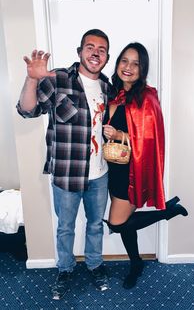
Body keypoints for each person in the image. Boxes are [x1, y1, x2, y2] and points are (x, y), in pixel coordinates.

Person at [17, 29, 112, 300]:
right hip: (66, 174)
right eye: (90, 47)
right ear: (79, 51)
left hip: (100, 174)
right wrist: (31, 79)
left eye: (102, 49)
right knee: (66, 227)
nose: (96, 52)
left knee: (95, 224)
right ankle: (65, 269)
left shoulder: (107, 86)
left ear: (106, 57)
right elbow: (27, 110)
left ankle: (95, 265)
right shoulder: (58, 78)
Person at [103, 42, 188, 289]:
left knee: (117, 224)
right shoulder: (112, 92)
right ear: (117, 63)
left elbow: (150, 139)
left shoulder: (146, 97)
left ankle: (167, 212)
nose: (128, 67)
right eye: (124, 61)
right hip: (113, 168)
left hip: (132, 171)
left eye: (136, 63)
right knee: (126, 222)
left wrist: (119, 135)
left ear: (143, 69)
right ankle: (136, 263)